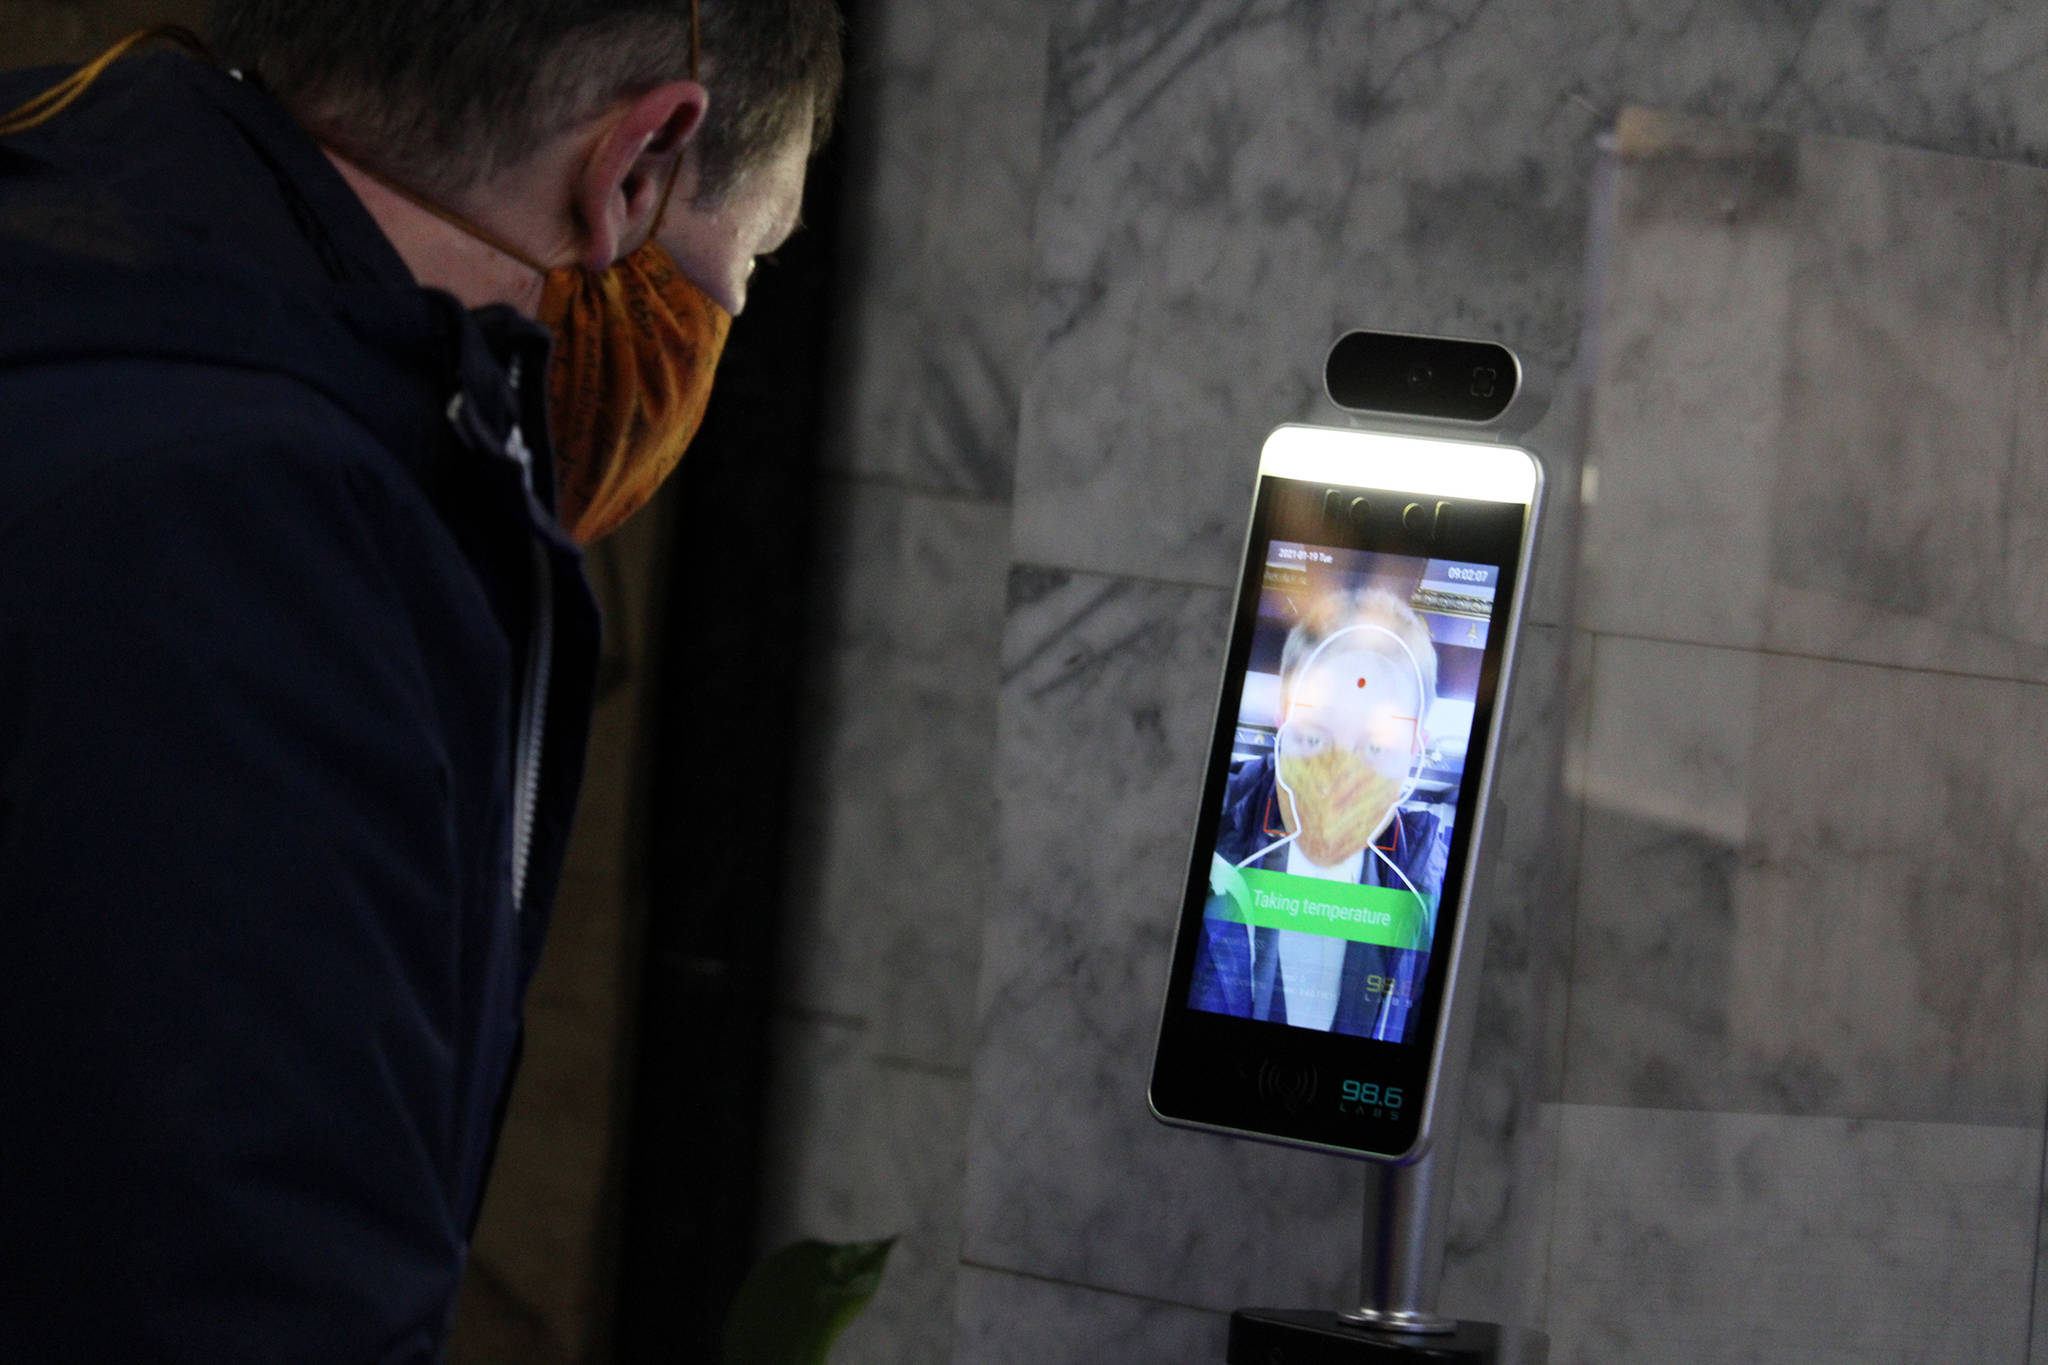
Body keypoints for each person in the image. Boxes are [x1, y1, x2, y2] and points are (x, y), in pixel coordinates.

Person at [0, 2, 838, 1358]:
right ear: (637, 166)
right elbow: (248, 1302)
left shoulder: (78, 270)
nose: (713, 329)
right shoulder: (264, 556)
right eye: (744, 258)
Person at [1189, 588, 1453, 1040]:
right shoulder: (1201, 827)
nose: (1339, 780)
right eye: (1315, 737)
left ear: (1413, 752)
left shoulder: (1433, 892)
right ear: (1282, 719)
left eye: (1375, 748)